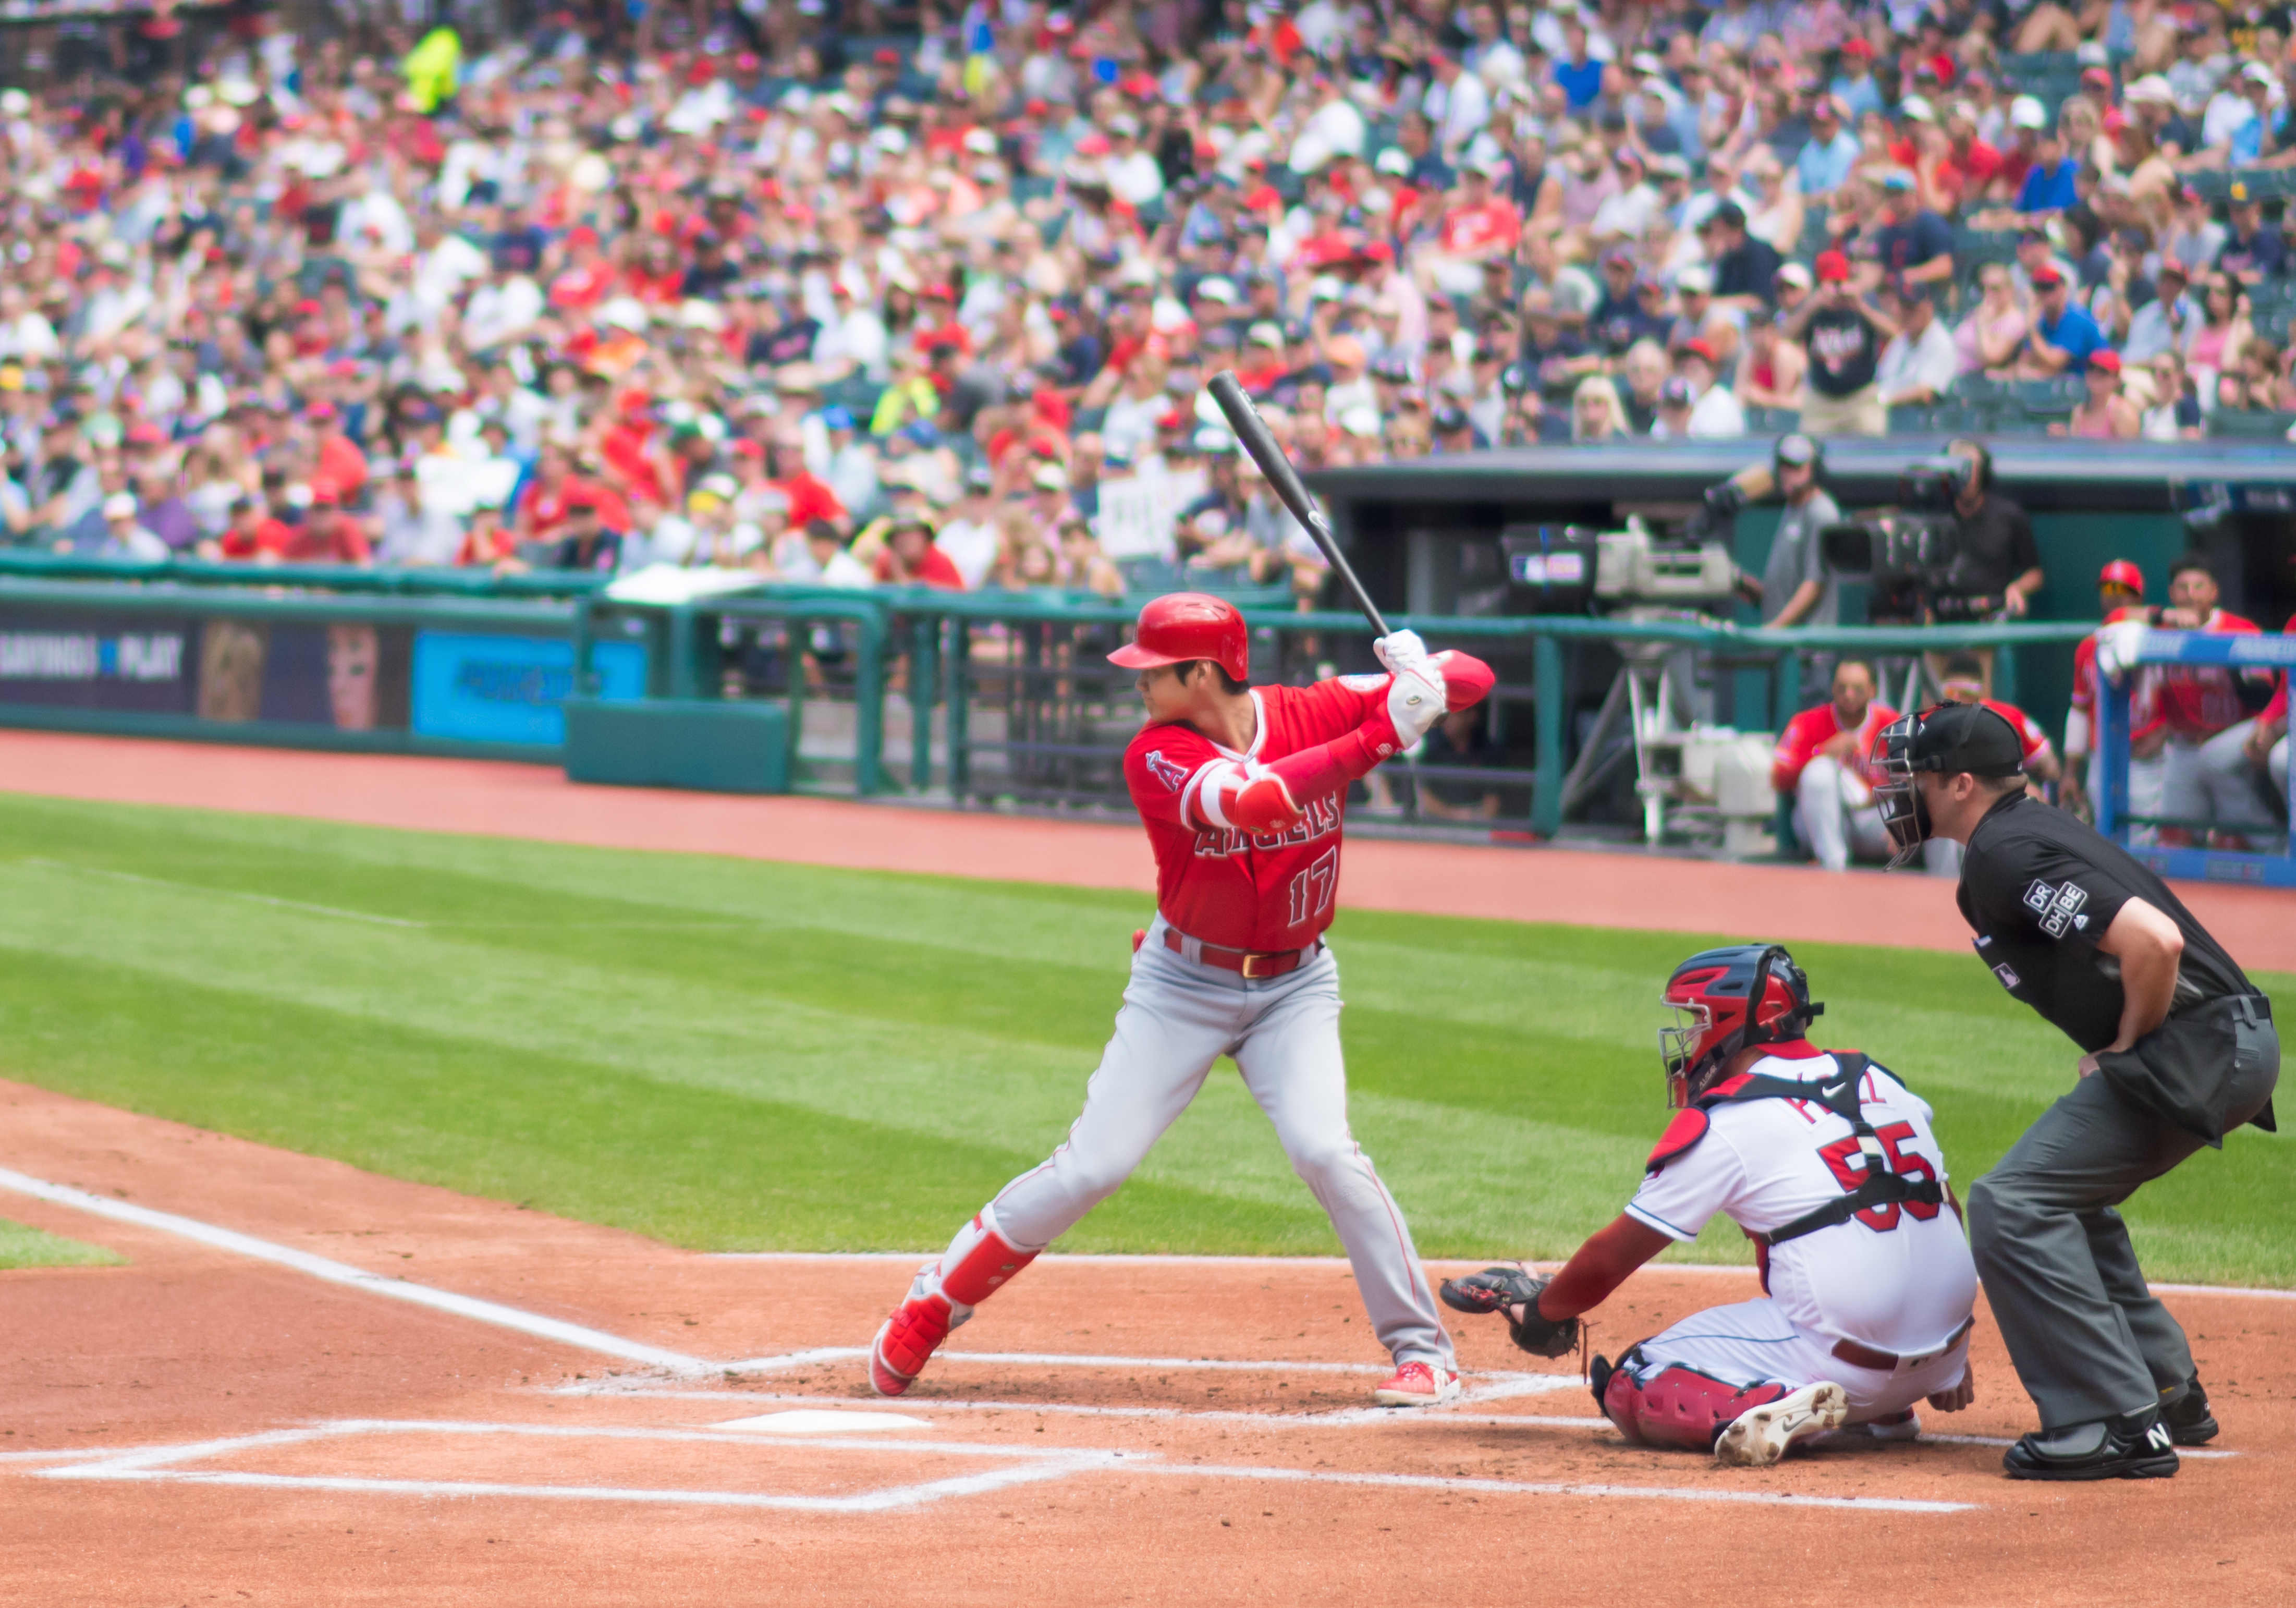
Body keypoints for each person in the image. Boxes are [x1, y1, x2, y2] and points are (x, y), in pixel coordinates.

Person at [868, 595, 1495, 1408]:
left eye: (1152, 670)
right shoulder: (1156, 753)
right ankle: (932, 1302)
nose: (1137, 682)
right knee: (1095, 1164)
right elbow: (1259, 801)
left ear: (1202, 673)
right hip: (1183, 984)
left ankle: (1424, 1353)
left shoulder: (1313, 707)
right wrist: (1387, 731)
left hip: (1294, 984)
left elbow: (1474, 678)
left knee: (1326, 1151)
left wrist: (1423, 674)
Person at [1872, 702, 2279, 1479]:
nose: (1903, 792)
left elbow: (2153, 943)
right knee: (2062, 1194)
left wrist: (2126, 1047)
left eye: (1917, 776)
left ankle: (2109, 1422)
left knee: (2011, 1203)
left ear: (1960, 784)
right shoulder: (2020, 835)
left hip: (2203, 1046)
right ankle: (2166, 1389)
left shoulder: (2005, 853)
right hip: (2230, 1040)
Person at [1443, 946, 1977, 1467]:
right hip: (1947, 1355)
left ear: (1732, 1021)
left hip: (1845, 1363)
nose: (1689, 1038)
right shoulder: (1879, 1079)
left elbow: (1611, 1259)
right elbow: (1947, 1210)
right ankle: (1883, 1411)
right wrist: (1946, 1350)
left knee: (1636, 1378)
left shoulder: (1732, 1120)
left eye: (1697, 1020)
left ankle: (1780, 1402)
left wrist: (1541, 1310)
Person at [2141, 555, 2277, 844]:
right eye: (2183, 587)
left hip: (2232, 749)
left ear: (2214, 591)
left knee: (2236, 843)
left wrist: (2233, 666)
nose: (2191, 595)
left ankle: (2277, 852)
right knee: (2174, 840)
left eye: (2199, 586)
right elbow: (2116, 620)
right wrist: (2161, 616)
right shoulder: (2160, 630)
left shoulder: (2240, 629)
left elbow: (2265, 694)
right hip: (2184, 748)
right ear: (2171, 593)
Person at [1771, 660, 1901, 870]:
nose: (1849, 694)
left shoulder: (1892, 724)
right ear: (1833, 688)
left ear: (1872, 690)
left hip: (1875, 820)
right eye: (1842, 688)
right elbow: (1778, 777)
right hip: (1821, 820)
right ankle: (1833, 868)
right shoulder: (1808, 722)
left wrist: (1906, 816)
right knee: (1819, 771)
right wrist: (1821, 752)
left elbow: (1920, 778)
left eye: (1858, 689)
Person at [2061, 561, 2157, 825]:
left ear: (2137, 595)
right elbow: (2080, 710)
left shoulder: (2159, 638)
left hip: (2147, 754)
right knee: (2104, 833)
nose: (2113, 595)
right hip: (2102, 753)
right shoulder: (2088, 647)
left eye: (2121, 588)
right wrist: (2071, 772)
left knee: (2147, 837)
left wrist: (2165, 734)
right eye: (2107, 589)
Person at [1785, 252, 1895, 437]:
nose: (1835, 290)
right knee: (1807, 446)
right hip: (1821, 401)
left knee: (1873, 438)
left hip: (1860, 400)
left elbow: (1895, 334)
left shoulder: (1861, 305)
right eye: (1828, 284)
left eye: (1838, 283)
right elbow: (1786, 335)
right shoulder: (1812, 309)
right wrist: (1812, 306)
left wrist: (1860, 307)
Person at [2053, 350, 2143, 438]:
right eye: (2091, 367)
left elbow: (2130, 452)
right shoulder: (2079, 411)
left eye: (2103, 371)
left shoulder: (2122, 411)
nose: (2095, 374)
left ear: (2116, 380)